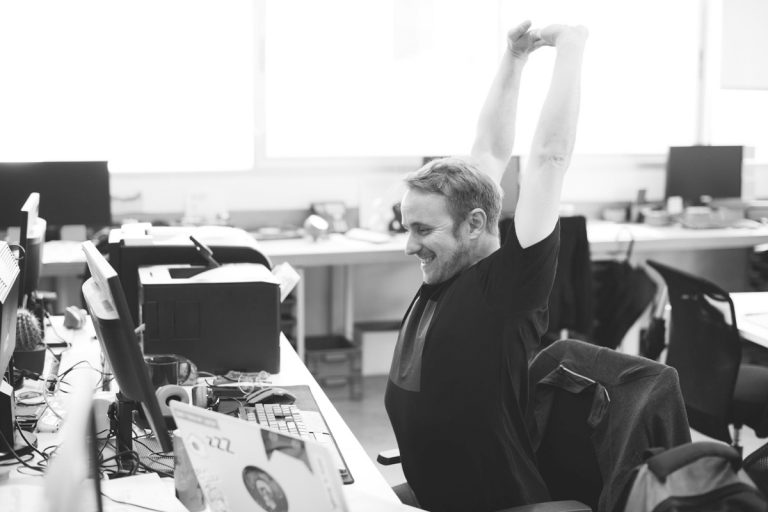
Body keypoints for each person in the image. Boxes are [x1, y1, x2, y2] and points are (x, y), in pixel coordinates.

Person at [384, 20, 588, 511]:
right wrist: (514, 58)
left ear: (474, 224)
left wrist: (570, 44)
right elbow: (491, 150)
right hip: (434, 492)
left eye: (422, 230)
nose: (410, 247)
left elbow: (549, 159)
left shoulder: (508, 287)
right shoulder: (449, 270)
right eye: (407, 228)